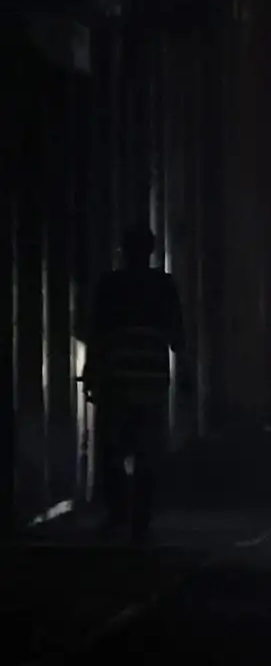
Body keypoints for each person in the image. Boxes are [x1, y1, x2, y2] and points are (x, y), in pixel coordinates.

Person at [85, 226, 187, 544]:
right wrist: (186, 375)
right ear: (151, 251)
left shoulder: (111, 286)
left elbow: (98, 334)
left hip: (117, 379)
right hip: (152, 381)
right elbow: (178, 336)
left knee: (113, 447)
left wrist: (92, 372)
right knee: (147, 450)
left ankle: (119, 513)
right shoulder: (163, 286)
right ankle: (140, 517)